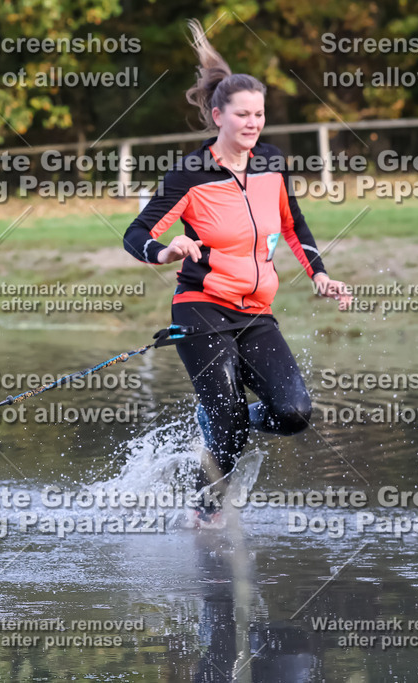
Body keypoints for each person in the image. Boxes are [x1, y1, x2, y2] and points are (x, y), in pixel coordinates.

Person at [122, 19, 351, 523]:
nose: (252, 123)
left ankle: (225, 419)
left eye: (259, 114)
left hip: (255, 313)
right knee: (227, 424)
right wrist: (165, 251)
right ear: (217, 115)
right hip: (200, 308)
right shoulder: (190, 174)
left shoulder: (271, 163)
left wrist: (319, 273)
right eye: (242, 114)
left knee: (293, 413)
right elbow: (135, 234)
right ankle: (205, 515)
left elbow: (293, 223)